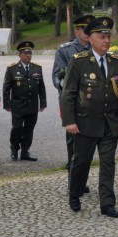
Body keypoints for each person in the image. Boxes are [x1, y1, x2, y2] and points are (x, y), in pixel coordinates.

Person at [62, 17, 118, 218]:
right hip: (85, 122)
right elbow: (69, 93)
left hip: (110, 123)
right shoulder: (79, 62)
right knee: (81, 161)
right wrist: (69, 121)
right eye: (102, 37)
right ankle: (74, 194)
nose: (106, 41)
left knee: (108, 163)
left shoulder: (116, 62)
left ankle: (107, 204)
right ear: (91, 39)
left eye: (108, 36)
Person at [52, 14, 95, 171]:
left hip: (93, 103)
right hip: (74, 102)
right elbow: (57, 78)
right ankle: (74, 176)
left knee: (90, 141)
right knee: (74, 140)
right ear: (77, 31)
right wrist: (70, 86)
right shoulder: (65, 50)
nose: (88, 33)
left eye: (91, 30)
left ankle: (82, 174)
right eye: (85, 30)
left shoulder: (96, 49)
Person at [3, 41, 46, 161]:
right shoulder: (12, 68)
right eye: (25, 53)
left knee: (29, 129)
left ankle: (25, 151)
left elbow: (41, 87)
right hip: (17, 105)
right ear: (20, 55)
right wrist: (7, 104)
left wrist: (43, 103)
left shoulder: (37, 68)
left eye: (30, 53)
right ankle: (14, 148)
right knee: (17, 128)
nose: (28, 55)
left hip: (32, 105)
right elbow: (6, 87)